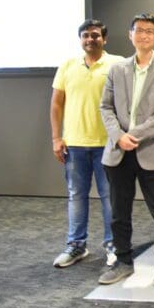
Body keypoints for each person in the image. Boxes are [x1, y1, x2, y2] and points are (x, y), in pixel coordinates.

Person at [98, 14, 154, 287]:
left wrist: (133, 135)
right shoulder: (117, 69)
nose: (144, 35)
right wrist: (118, 136)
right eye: (139, 30)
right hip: (118, 152)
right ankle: (123, 261)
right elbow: (105, 107)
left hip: (152, 151)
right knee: (119, 212)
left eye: (150, 31)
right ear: (130, 34)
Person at [50, 19, 121, 268]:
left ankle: (114, 244)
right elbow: (56, 103)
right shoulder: (68, 65)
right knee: (76, 196)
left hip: (108, 145)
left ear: (104, 38)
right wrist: (56, 138)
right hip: (74, 145)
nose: (90, 39)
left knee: (109, 197)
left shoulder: (117, 64)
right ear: (80, 39)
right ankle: (76, 245)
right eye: (85, 36)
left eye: (95, 35)